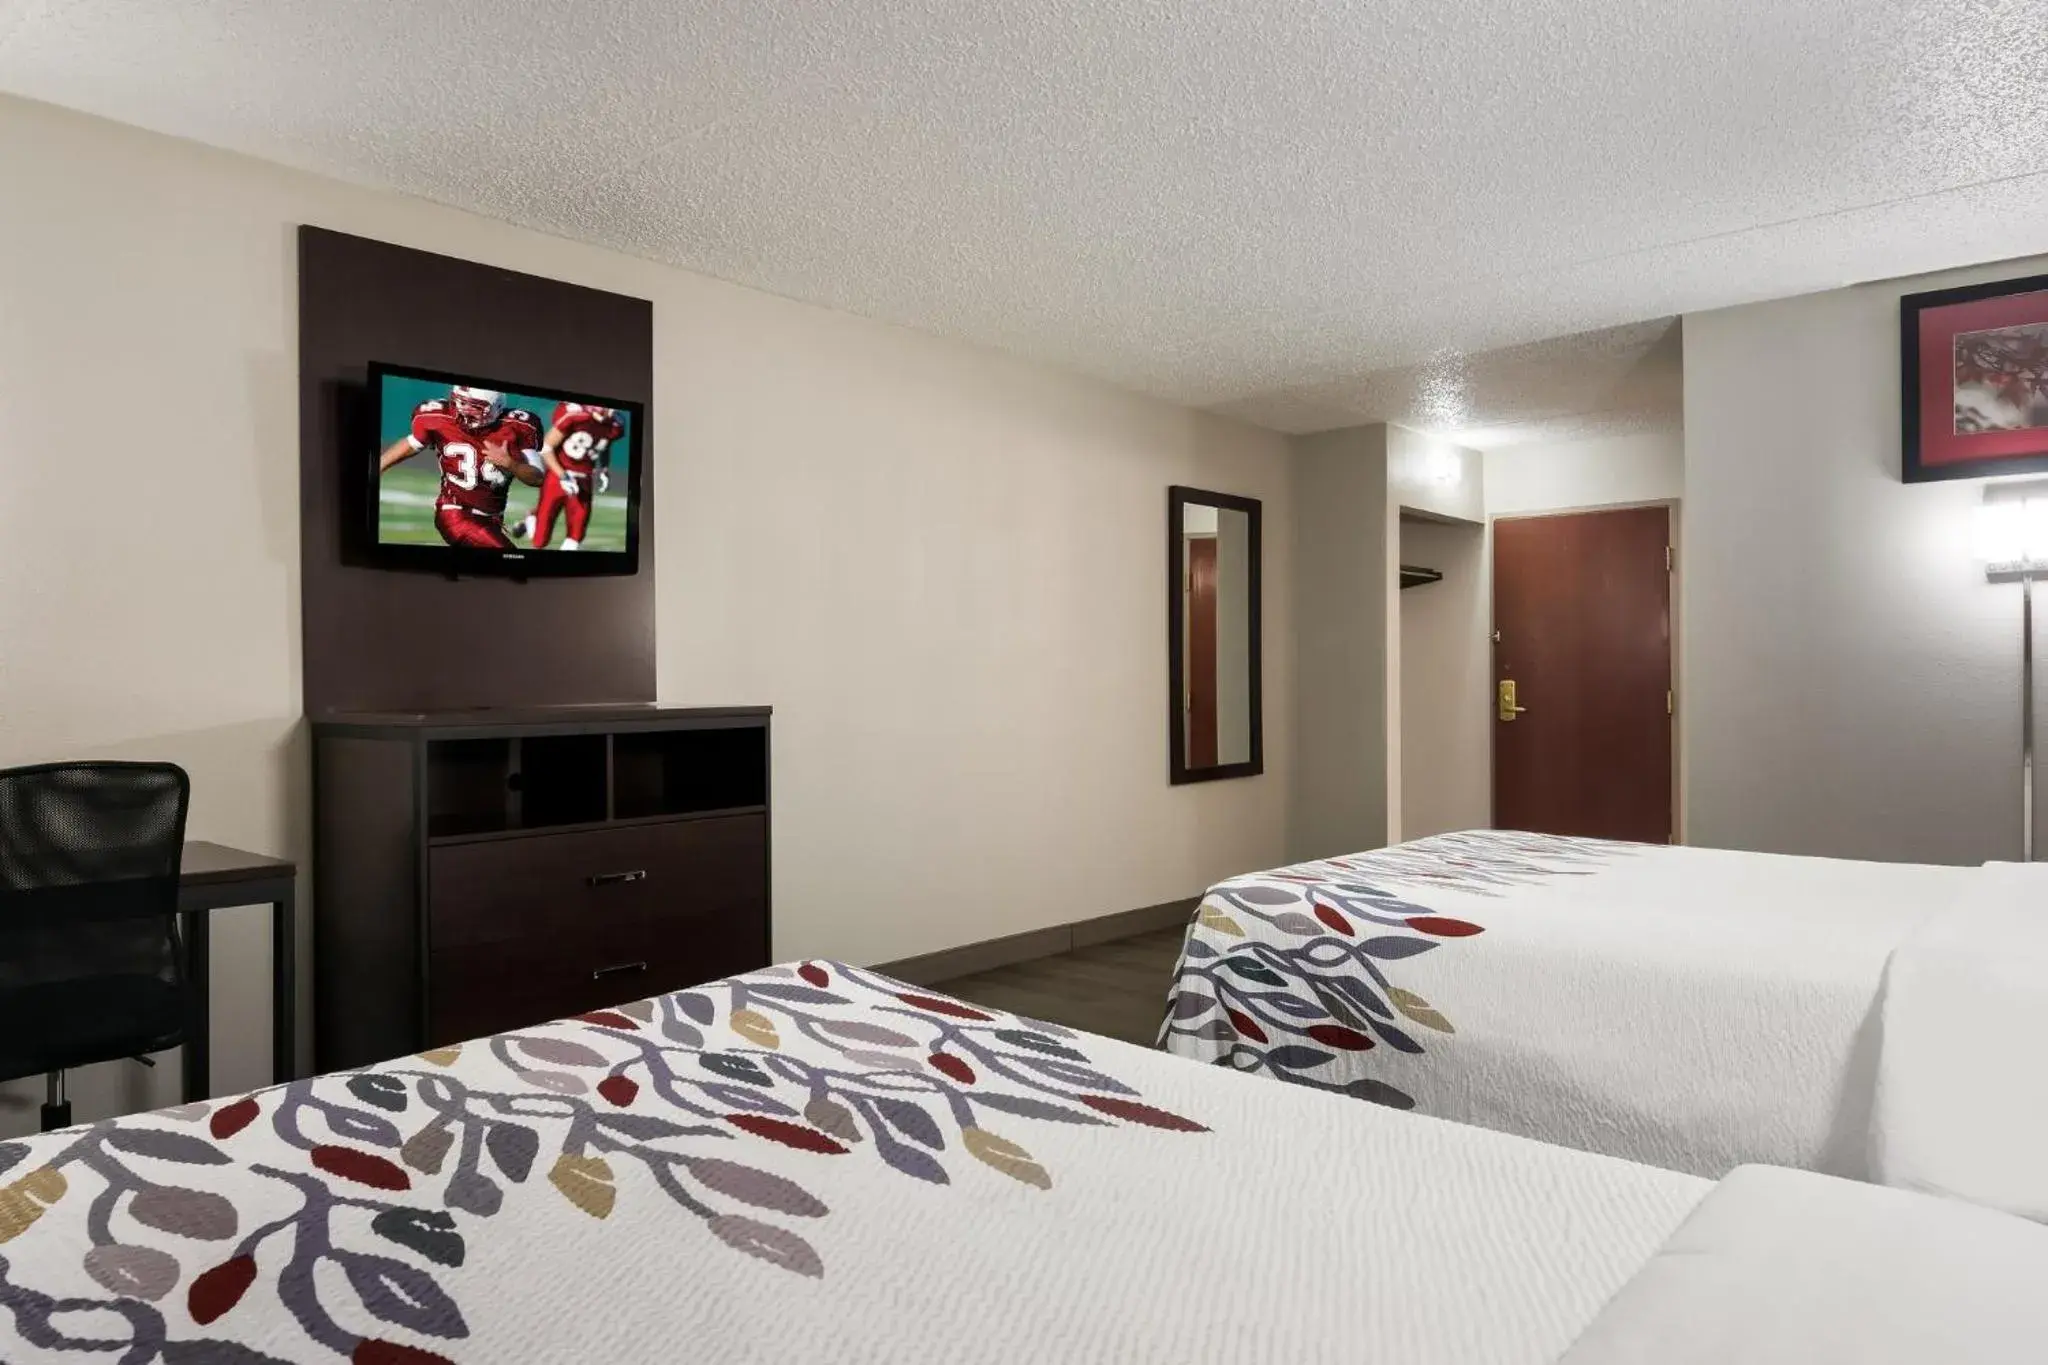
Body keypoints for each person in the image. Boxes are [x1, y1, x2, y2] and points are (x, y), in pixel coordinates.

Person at [378, 387, 544, 550]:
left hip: (492, 519)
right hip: (455, 514)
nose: (463, 410)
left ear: (495, 408)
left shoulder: (518, 427)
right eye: (461, 402)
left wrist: (510, 464)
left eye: (474, 406)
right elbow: (413, 443)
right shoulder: (439, 417)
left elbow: (538, 478)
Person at [511, 402, 624, 550]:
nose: (611, 411)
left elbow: (604, 444)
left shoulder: (615, 425)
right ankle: (532, 518)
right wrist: (563, 475)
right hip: (558, 476)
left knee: (576, 537)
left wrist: (604, 468)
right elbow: (546, 447)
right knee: (540, 542)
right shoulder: (575, 416)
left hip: (584, 479)